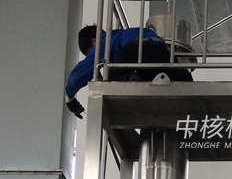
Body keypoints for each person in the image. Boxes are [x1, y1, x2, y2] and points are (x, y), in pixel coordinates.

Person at [65, 25, 193, 118]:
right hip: (160, 48)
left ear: (94, 41)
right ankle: (186, 79)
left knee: (111, 80)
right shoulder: (124, 34)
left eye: (90, 52)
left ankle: (131, 77)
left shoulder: (104, 40)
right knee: (174, 75)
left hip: (134, 48)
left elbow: (79, 73)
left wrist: (69, 98)